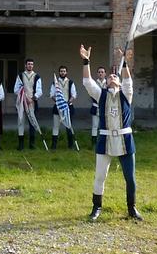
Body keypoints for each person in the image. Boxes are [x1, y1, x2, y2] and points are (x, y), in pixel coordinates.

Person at [81, 44, 141, 222]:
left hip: (125, 140)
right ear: (106, 82)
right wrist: (86, 61)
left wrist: (124, 65)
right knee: (100, 176)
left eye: (115, 76)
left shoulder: (126, 95)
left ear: (119, 82)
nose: (112, 77)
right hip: (105, 139)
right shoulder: (101, 95)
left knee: (130, 178)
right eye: (109, 76)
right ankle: (96, 207)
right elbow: (87, 82)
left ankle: (132, 208)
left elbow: (128, 81)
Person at [14, 58, 42, 150]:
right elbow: (16, 89)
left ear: (33, 66)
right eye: (28, 64)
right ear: (25, 65)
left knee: (32, 122)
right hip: (22, 102)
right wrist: (24, 96)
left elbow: (39, 91)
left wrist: (33, 98)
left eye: (31, 64)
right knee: (21, 122)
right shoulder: (20, 76)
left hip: (32, 103)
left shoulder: (37, 76)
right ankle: (21, 145)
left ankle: (32, 145)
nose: (30, 65)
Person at [49, 65, 77, 150]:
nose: (62, 72)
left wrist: (68, 103)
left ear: (66, 72)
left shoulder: (71, 82)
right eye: (61, 71)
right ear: (59, 72)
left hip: (68, 107)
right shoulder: (55, 83)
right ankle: (54, 146)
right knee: (56, 126)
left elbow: (74, 95)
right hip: (57, 108)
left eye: (64, 71)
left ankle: (71, 146)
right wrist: (59, 102)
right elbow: (52, 95)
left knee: (69, 126)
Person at [91, 66, 107, 144]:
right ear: (97, 74)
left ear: (105, 74)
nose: (100, 73)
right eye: (99, 72)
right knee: (95, 126)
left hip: (105, 107)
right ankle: (93, 143)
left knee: (104, 125)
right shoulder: (94, 83)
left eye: (102, 72)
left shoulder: (107, 83)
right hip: (96, 106)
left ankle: (103, 142)